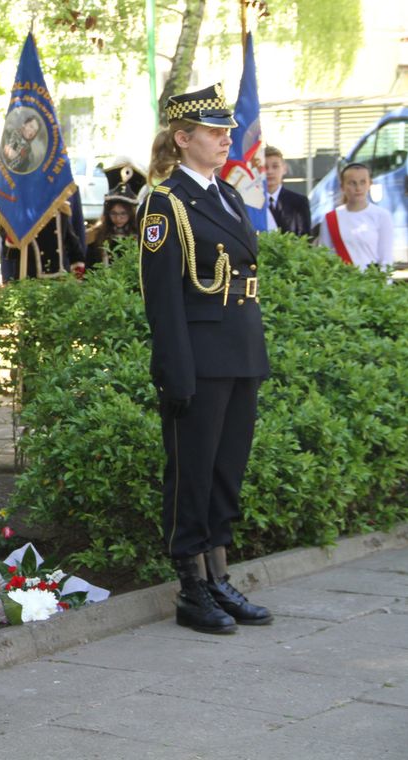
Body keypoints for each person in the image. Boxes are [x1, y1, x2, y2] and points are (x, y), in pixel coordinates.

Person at [139, 83, 273, 635]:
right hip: (200, 358)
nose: (226, 139)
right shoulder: (165, 202)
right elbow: (162, 296)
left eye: (226, 131)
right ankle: (191, 585)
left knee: (225, 472)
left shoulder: (228, 196)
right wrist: (176, 369)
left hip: (239, 352)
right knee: (191, 474)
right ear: (183, 138)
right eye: (215, 132)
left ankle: (219, 575)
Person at [318, 162, 394, 270]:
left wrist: (384, 284)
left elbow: (386, 259)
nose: (358, 188)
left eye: (363, 182)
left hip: (372, 283)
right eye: (352, 183)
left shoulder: (382, 216)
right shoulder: (330, 219)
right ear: (342, 187)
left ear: (370, 184)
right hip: (342, 283)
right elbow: (325, 256)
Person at [0, 202, 85, 282]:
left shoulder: (61, 210)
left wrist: (77, 277)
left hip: (60, 281)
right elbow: (10, 253)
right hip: (29, 280)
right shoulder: (19, 213)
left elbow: (73, 245)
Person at [87, 161, 146, 267]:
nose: (118, 218)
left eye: (123, 214)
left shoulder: (141, 235)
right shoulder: (98, 234)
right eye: (113, 214)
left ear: (131, 214)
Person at [262, 146, 312, 237]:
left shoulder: (299, 202)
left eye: (275, 166)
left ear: (284, 169)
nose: (269, 172)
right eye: (265, 167)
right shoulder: (252, 204)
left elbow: (306, 239)